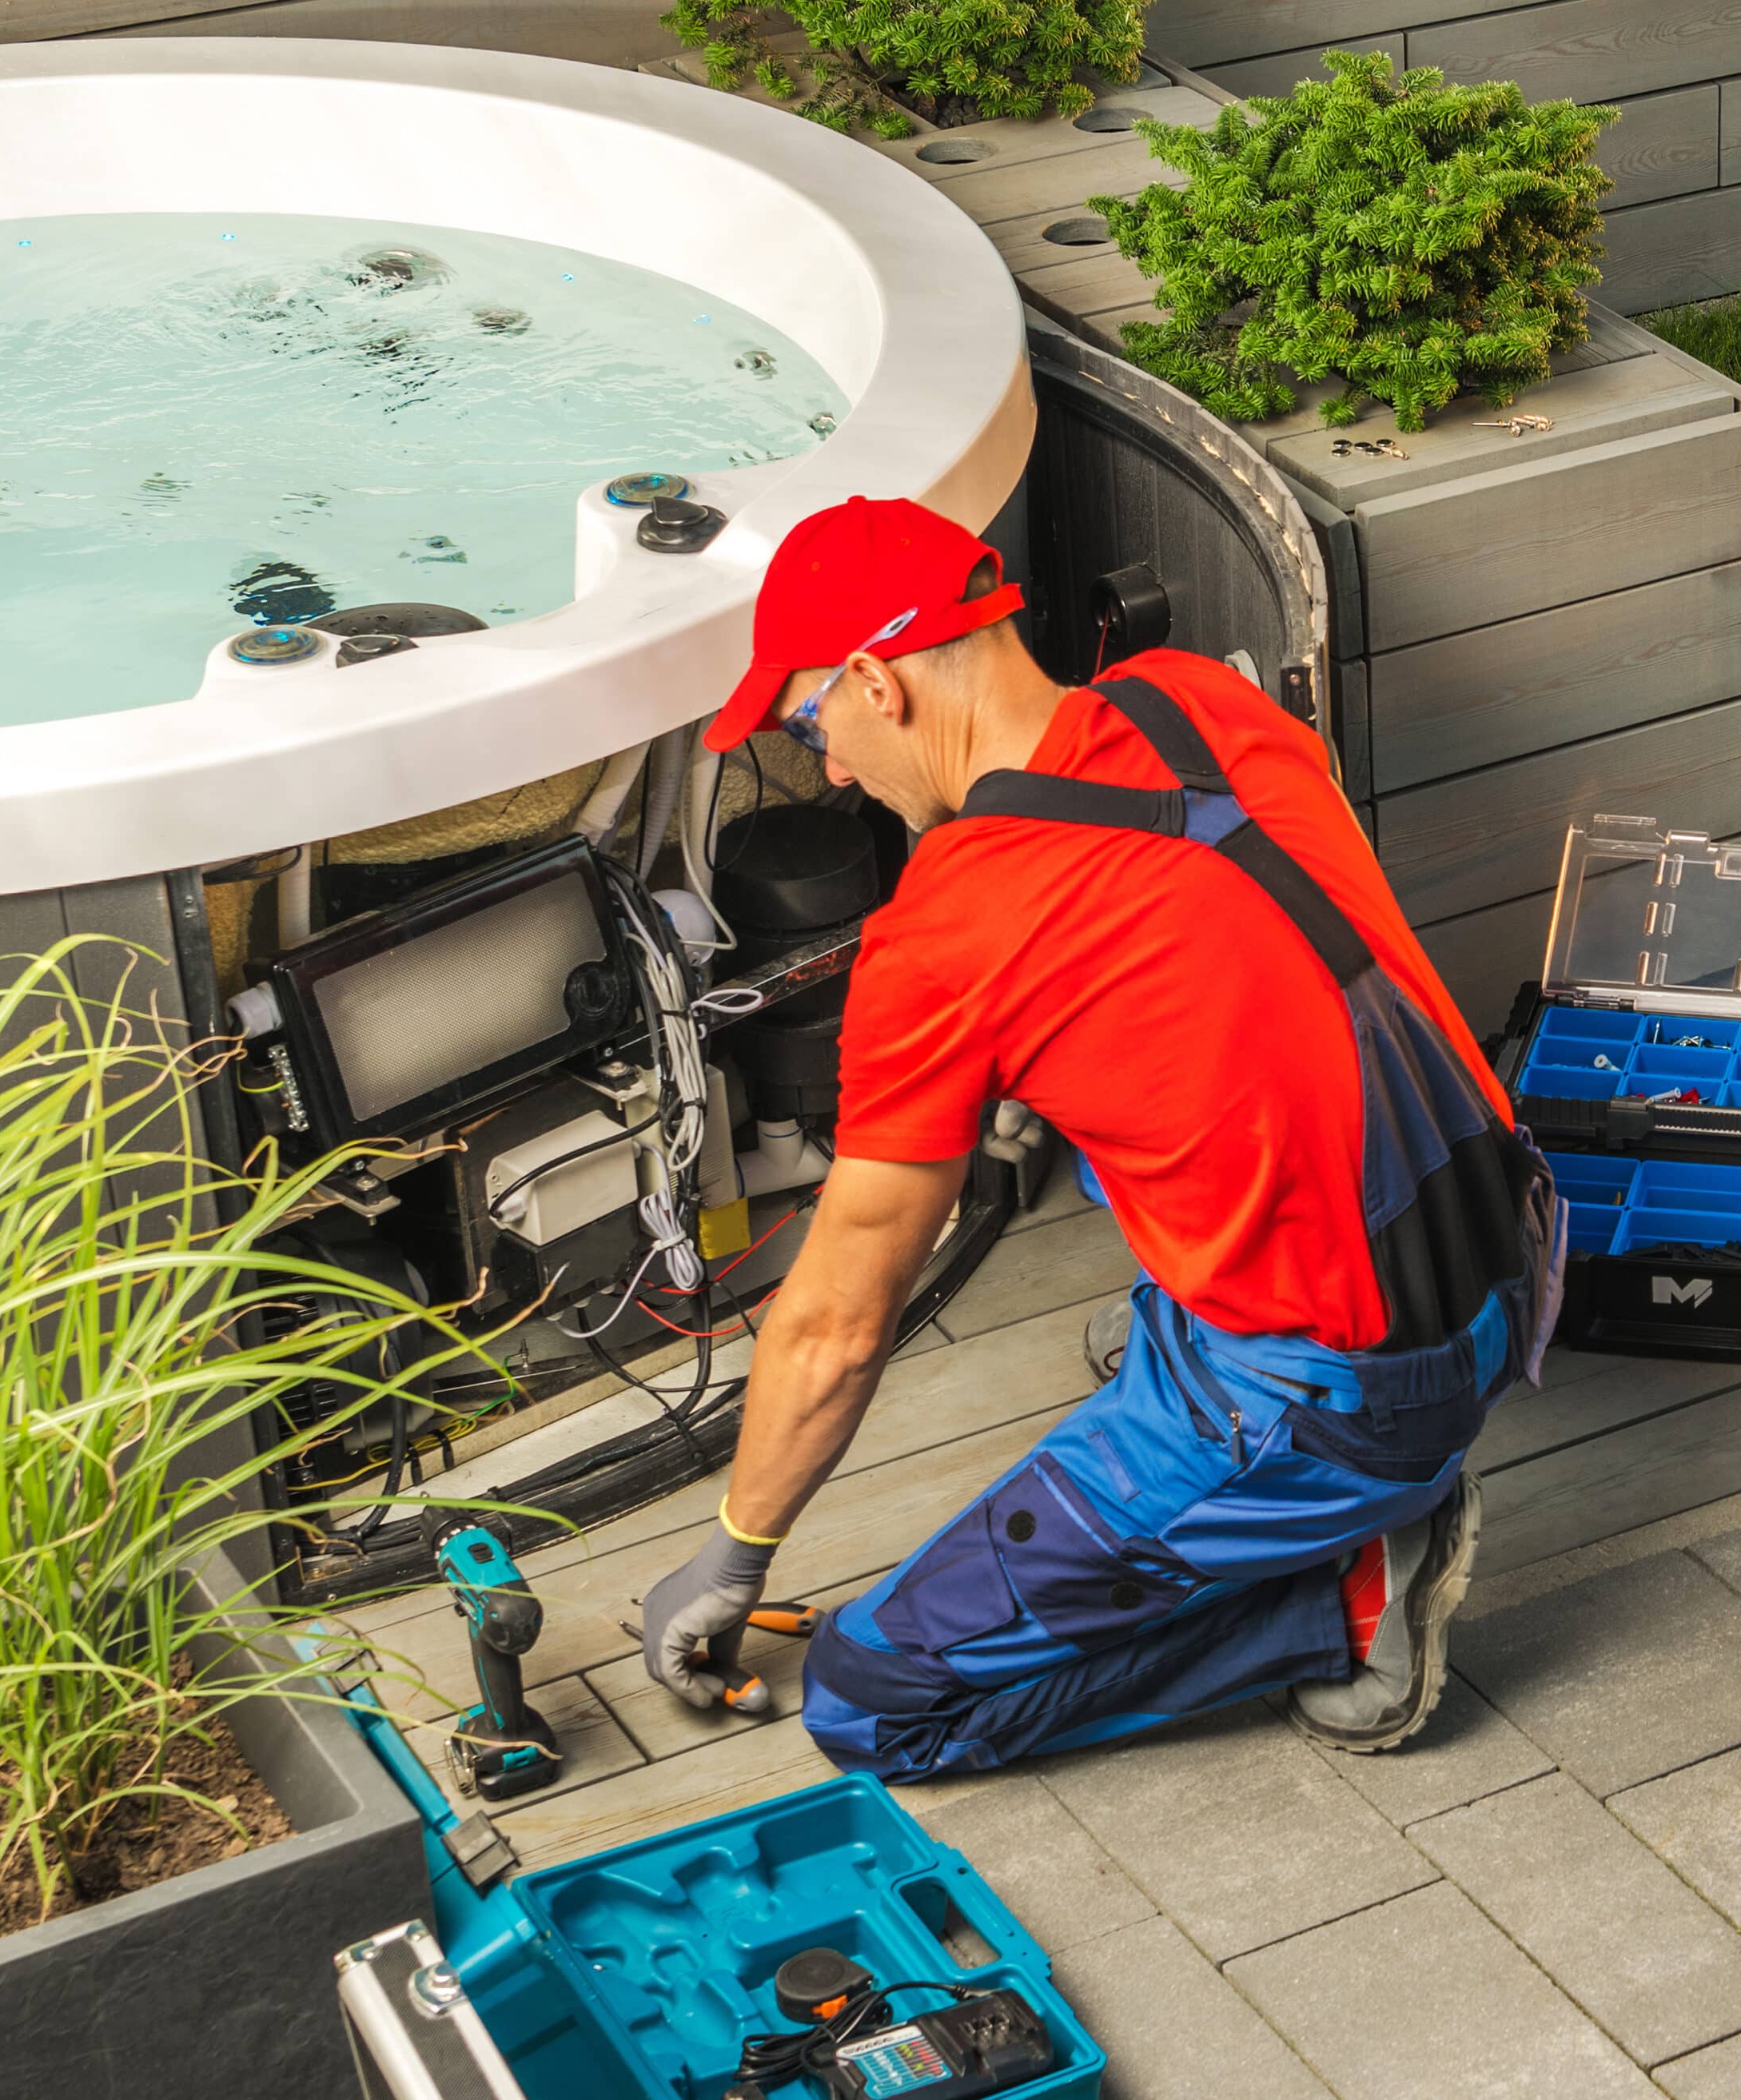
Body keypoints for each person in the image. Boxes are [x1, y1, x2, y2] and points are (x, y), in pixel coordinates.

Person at [640, 495, 1564, 1779]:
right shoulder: (1196, 697)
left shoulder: (950, 933)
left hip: (1346, 1394)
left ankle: (1339, 1601)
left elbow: (839, 1324)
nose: (834, 770)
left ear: (874, 681)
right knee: (1117, 1176)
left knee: (868, 1703)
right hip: (1506, 1249)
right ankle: (1286, 1451)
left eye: (813, 727)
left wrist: (733, 1551)